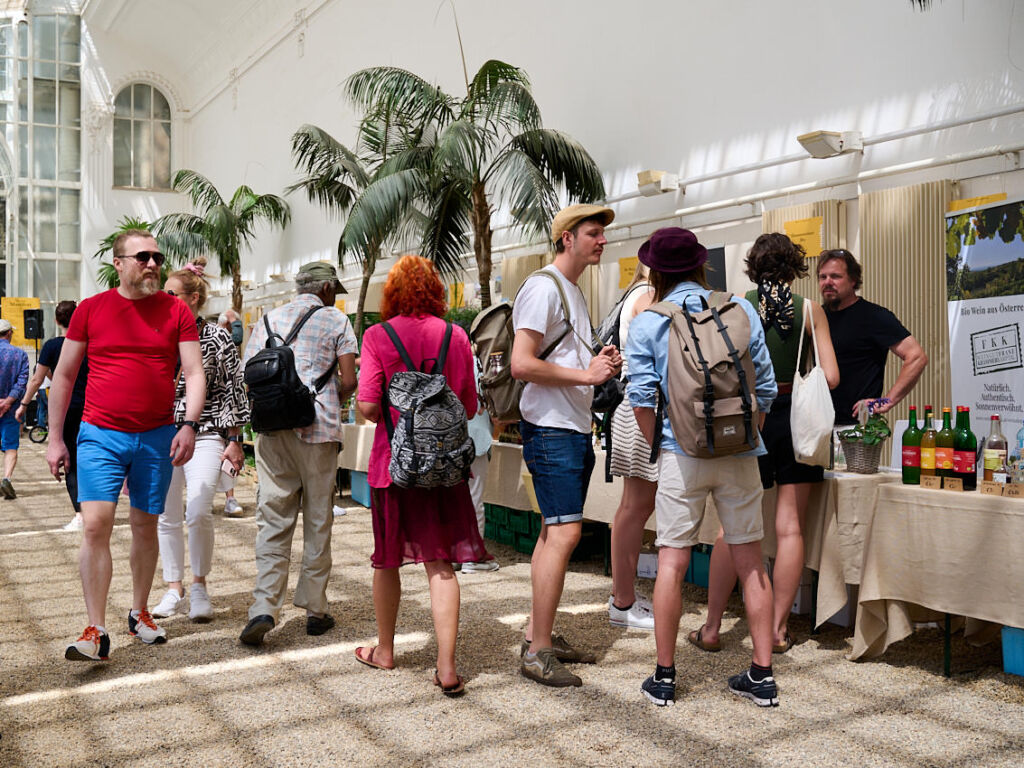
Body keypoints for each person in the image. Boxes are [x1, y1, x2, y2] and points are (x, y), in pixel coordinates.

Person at [626, 227, 779, 707]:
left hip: (681, 455)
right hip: (741, 454)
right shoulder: (739, 308)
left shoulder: (649, 321)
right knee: (751, 560)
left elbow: (641, 397)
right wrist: (743, 433)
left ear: (655, 272)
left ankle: (666, 678)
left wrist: (665, 445)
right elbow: (767, 388)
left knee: (672, 560)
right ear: (701, 265)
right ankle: (762, 676)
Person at [47, 229, 205, 662]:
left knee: (145, 526)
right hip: (99, 434)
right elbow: (63, 376)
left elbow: (193, 372)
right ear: (119, 263)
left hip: (156, 436)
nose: (152, 263)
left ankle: (139, 612)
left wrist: (189, 424)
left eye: (156, 256)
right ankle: (95, 629)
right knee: (95, 526)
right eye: (142, 257)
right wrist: (56, 438)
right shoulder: (91, 310)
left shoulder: (175, 311)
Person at [691, 233, 839, 658]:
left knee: (730, 528)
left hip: (749, 419)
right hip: (796, 420)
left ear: (753, 266)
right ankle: (776, 629)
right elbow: (830, 377)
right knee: (790, 527)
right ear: (795, 267)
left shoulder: (736, 305)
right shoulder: (811, 311)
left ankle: (714, 626)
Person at [353, 255, 489, 696]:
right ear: (437, 292)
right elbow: (468, 406)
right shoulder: (456, 336)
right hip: (445, 467)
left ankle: (386, 651)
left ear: (391, 295)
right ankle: (447, 668)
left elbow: (369, 407)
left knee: (386, 560)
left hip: (393, 466)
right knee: (441, 564)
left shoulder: (377, 335)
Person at [511, 203, 622, 688]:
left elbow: (559, 358)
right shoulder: (543, 287)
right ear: (566, 239)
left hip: (569, 425)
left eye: (601, 234)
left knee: (552, 533)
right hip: (551, 428)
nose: (601, 241)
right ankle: (537, 652)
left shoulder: (570, 289)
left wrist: (597, 362)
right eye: (593, 234)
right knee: (565, 534)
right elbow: (521, 363)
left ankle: (542, 636)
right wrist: (586, 373)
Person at [239, 261, 357, 646]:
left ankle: (264, 607)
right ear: (324, 289)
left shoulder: (268, 319)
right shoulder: (335, 320)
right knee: (318, 518)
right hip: (318, 430)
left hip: (272, 431)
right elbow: (350, 379)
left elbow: (249, 374)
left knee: (273, 517)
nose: (334, 296)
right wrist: (328, 398)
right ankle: (315, 610)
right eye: (333, 290)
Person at [152, 260, 249, 623]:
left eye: (172, 293)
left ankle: (199, 586)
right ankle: (173, 587)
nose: (165, 298)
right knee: (166, 514)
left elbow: (234, 389)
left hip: (206, 431)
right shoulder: (156, 334)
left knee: (197, 509)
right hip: (161, 432)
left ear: (193, 299)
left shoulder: (218, 337)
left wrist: (236, 439)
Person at [817, 249, 927, 424]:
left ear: (853, 280)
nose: (827, 282)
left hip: (859, 427)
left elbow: (916, 356)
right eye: (823, 277)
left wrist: (887, 401)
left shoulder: (873, 316)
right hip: (819, 425)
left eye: (835, 276)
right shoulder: (817, 318)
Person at [607, 263, 657, 630]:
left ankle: (623, 597)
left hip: (635, 407)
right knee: (635, 508)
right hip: (642, 409)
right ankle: (622, 600)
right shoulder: (646, 297)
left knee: (632, 507)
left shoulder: (636, 294)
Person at [15, 301, 89, 529]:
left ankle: (80, 514)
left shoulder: (52, 346)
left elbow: (37, 379)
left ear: (57, 321)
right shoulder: (90, 344)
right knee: (92, 458)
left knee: (71, 461)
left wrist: (24, 403)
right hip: (92, 407)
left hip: (66, 408)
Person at [460, 357, 499, 573]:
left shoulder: (443, 359)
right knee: (474, 499)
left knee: (453, 499)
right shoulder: (480, 362)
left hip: (448, 438)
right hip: (476, 437)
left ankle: (455, 553)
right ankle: (473, 557)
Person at [216, 309, 245, 517]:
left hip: (226, 407)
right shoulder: (217, 337)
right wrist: (235, 321)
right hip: (215, 409)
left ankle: (230, 498)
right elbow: (238, 338)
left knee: (228, 452)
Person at [0, 318, 29, 500]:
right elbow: (22, 381)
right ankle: (6, 478)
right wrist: (8, 402)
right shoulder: (20, 355)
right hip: (11, 410)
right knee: (11, 446)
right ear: (9, 333)